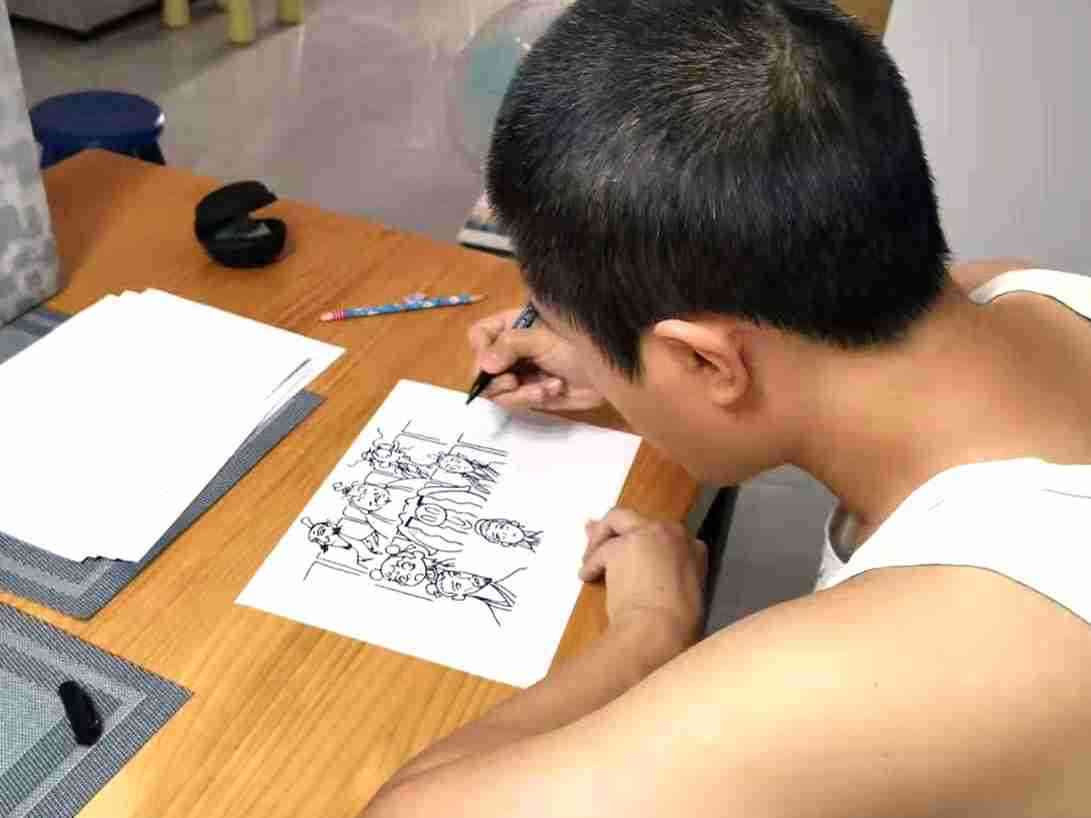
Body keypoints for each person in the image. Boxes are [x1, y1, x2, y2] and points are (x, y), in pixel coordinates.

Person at [365, 1, 1091, 816]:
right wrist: (619, 375)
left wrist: (651, 626)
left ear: (706, 361)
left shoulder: (948, 644)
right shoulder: (1018, 295)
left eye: (564, 328)